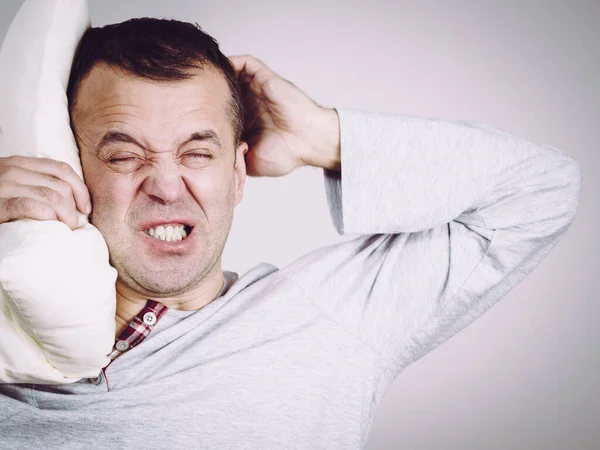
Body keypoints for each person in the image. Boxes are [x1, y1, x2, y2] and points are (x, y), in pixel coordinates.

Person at [0, 17, 581, 449]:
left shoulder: (330, 314)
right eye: (126, 156)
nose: (168, 186)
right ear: (71, 166)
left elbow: (541, 190)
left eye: (198, 153)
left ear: (237, 174)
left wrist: (319, 136)